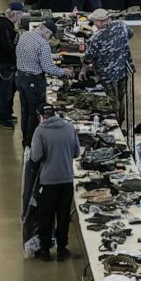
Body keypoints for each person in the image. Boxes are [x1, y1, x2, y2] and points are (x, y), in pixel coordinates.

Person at [30, 103, 81, 262]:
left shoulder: (40, 131)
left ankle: (45, 250)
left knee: (46, 216)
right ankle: (62, 249)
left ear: (41, 116)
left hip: (48, 181)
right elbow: (76, 153)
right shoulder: (69, 128)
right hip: (66, 180)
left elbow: (35, 156)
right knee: (63, 215)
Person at [15, 22, 74, 148]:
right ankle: (31, 143)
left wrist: (56, 56)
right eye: (50, 36)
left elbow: (34, 54)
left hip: (20, 78)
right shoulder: (43, 44)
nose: (49, 39)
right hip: (33, 82)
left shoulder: (26, 35)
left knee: (25, 111)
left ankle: (25, 140)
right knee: (35, 113)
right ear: (46, 32)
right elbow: (48, 68)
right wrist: (64, 71)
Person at [83, 10, 134, 124]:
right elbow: (131, 34)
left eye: (94, 22)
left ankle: (113, 124)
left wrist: (83, 69)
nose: (94, 24)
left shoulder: (97, 37)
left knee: (110, 101)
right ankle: (120, 123)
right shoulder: (122, 25)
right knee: (121, 99)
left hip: (107, 75)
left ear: (100, 22)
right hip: (123, 71)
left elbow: (89, 56)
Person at [0, 2, 23, 130]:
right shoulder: (4, 27)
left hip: (6, 63)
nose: (20, 18)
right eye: (19, 14)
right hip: (4, 65)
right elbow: (8, 47)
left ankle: (7, 114)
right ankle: (3, 118)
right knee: (5, 92)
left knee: (10, 89)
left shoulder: (2, 23)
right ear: (13, 14)